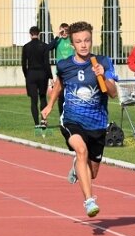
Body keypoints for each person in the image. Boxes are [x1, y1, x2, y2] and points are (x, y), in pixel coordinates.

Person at [40, 21, 118, 218]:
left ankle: (77, 167)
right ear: (72, 44)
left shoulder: (103, 62)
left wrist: (104, 77)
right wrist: (50, 105)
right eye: (78, 41)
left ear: (91, 41)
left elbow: (113, 94)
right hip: (71, 120)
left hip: (98, 123)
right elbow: (59, 85)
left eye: (87, 40)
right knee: (81, 149)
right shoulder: (64, 65)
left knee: (92, 173)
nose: (83, 45)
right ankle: (89, 200)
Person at [21, 26, 54, 127]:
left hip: (31, 74)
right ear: (39, 34)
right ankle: (43, 121)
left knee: (33, 99)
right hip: (42, 74)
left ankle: (36, 123)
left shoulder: (26, 47)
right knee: (43, 97)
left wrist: (27, 75)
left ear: (30, 34)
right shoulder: (43, 46)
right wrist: (50, 76)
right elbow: (46, 63)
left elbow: (23, 63)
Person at [48, 23, 75, 115]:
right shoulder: (58, 41)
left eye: (66, 31)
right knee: (60, 95)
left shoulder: (72, 40)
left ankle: (71, 115)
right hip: (61, 72)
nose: (64, 33)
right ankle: (62, 116)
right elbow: (49, 48)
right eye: (62, 31)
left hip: (72, 72)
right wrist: (57, 35)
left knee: (72, 95)